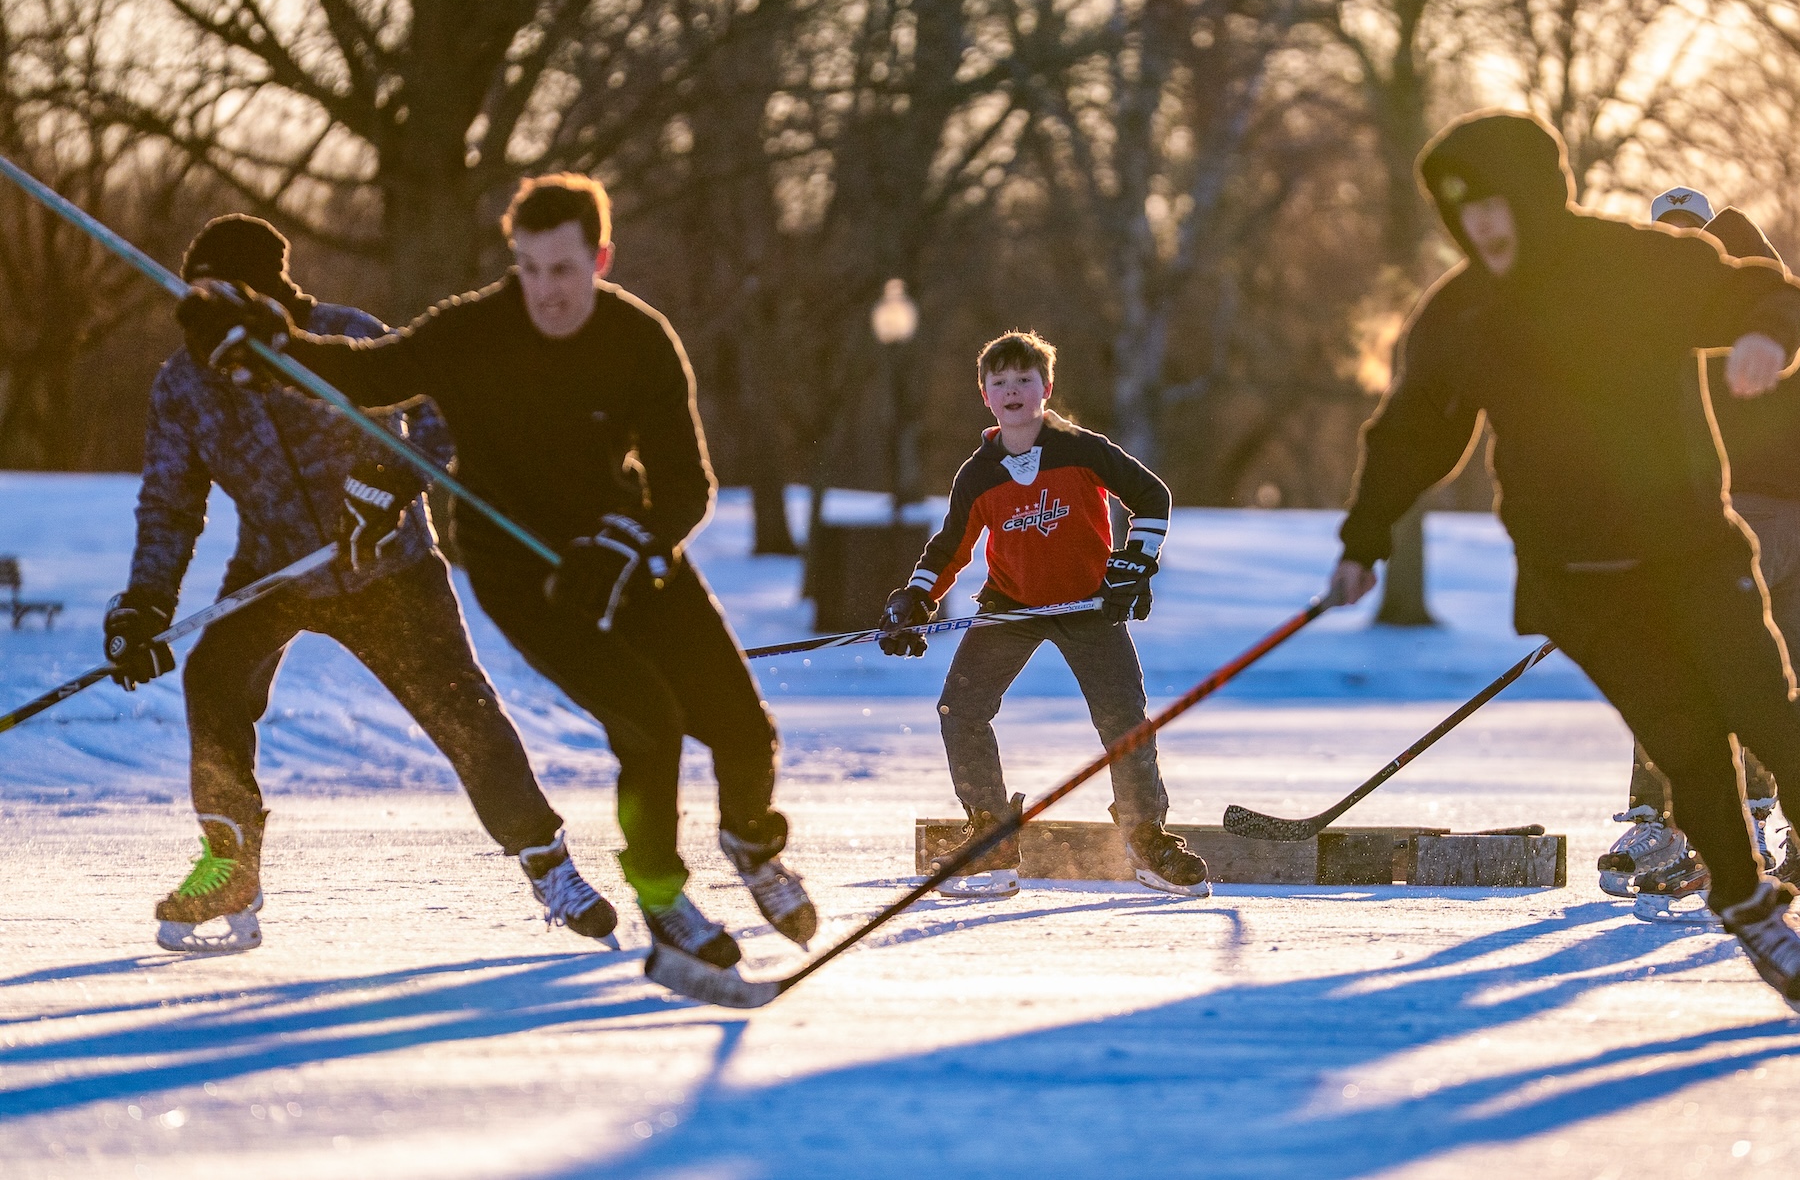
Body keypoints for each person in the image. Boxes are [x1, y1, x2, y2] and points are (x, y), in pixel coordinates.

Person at [1328, 110, 1800, 1014]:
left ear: (1538, 196)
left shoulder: (1632, 264)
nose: (1484, 227)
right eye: (1465, 212)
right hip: (1577, 579)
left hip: (1691, 545)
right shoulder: (1462, 311)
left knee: (1767, 702)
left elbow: (1771, 291)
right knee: (1685, 741)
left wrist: (1765, 334)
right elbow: (1412, 432)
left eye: (1498, 204)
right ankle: (1748, 906)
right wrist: (1364, 540)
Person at [173, 176, 813, 1005]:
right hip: (527, 575)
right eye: (530, 268)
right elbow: (368, 374)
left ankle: (753, 845)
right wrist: (272, 344)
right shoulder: (472, 330)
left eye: (564, 270)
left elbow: (686, 486)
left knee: (744, 730)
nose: (546, 290)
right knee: (649, 723)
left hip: (626, 550)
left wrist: (628, 540)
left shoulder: (638, 339)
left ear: (601, 259)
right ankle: (663, 898)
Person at [114, 214, 615, 955]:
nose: (212, 323)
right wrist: (145, 603)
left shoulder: (342, 335)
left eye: (230, 299)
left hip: (387, 567)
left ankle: (549, 863)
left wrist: (390, 478)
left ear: (270, 293)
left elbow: (442, 412)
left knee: (460, 708)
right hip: (276, 568)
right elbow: (169, 503)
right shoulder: (185, 383)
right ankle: (230, 864)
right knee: (213, 677)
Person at [1604, 192, 1800, 924]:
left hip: (1722, 517)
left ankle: (1667, 827)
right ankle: (1789, 830)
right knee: (1785, 677)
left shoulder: (1692, 330)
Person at [878, 330, 1208, 899]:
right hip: (1011, 608)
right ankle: (991, 843)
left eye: (1024, 380)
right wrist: (917, 597)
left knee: (1124, 719)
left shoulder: (1083, 449)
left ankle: (1146, 838)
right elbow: (951, 545)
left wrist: (1135, 563)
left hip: (1089, 606)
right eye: (999, 382)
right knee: (961, 708)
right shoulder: (978, 473)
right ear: (985, 395)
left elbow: (1153, 497)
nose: (1012, 391)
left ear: (1046, 388)